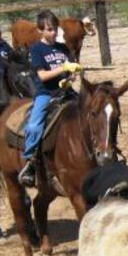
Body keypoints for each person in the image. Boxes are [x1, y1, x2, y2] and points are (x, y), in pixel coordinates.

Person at [18, 10, 82, 187]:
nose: (52, 33)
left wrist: (71, 76)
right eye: (48, 29)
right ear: (40, 30)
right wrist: (64, 68)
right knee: (33, 126)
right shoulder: (36, 50)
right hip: (46, 94)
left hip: (66, 92)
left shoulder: (63, 48)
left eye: (54, 29)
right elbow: (43, 76)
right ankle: (30, 162)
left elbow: (71, 74)